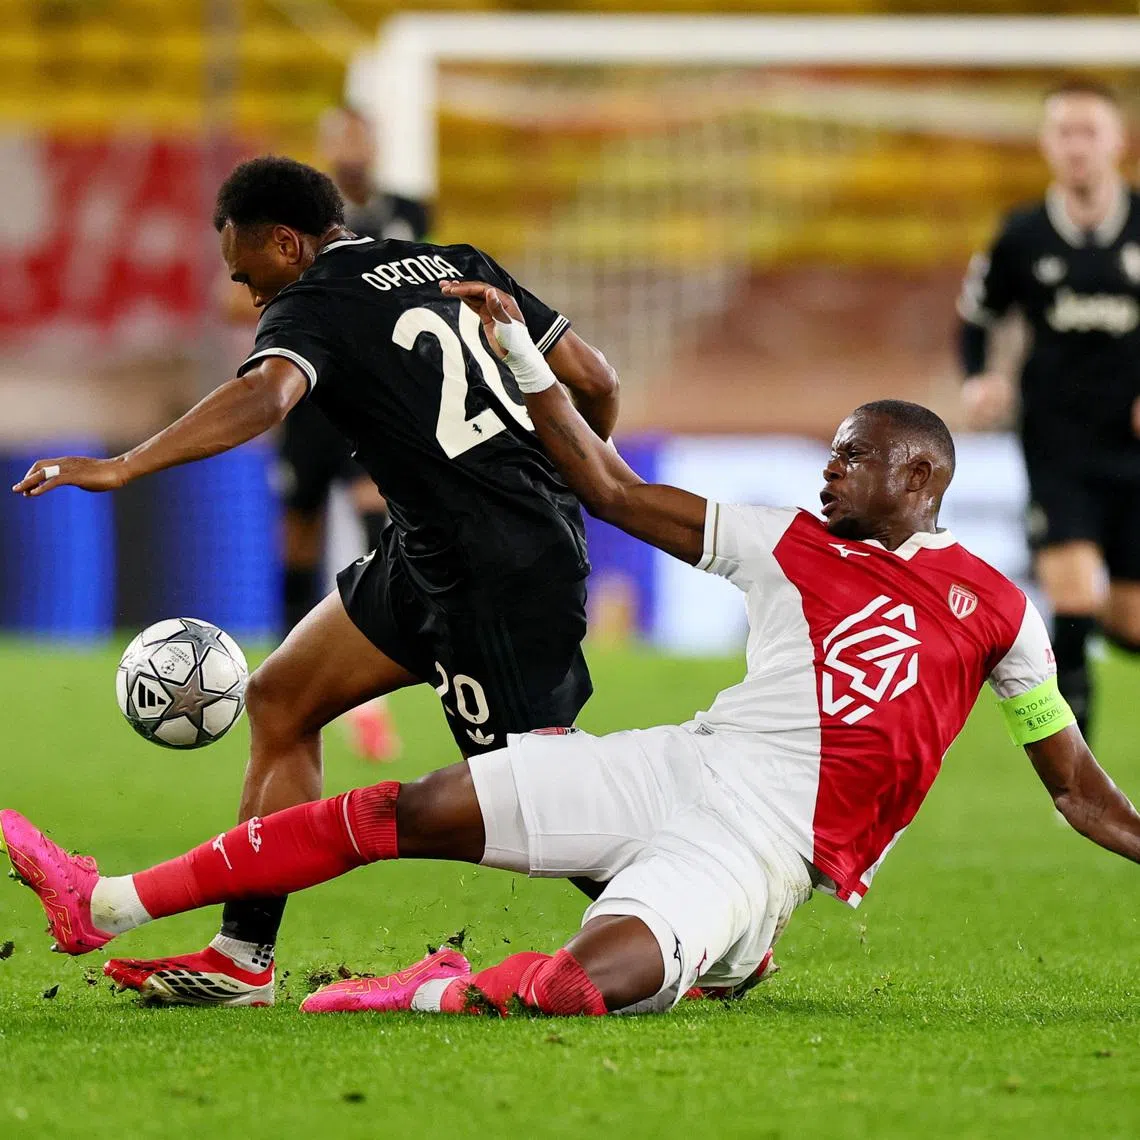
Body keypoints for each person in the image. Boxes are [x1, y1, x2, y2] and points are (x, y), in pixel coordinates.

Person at [7, 285, 1138, 1019]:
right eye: (833, 454)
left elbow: (1076, 787)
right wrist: (524, 360)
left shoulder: (998, 612)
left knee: (598, 987)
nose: (829, 472)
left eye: (855, 458)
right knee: (404, 809)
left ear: (924, 477)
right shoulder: (783, 541)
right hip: (675, 764)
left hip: (761, 848)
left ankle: (436, 991)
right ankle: (100, 902)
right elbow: (607, 485)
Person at [8, 158, 619, 1006]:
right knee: (282, 698)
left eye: (251, 281)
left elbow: (266, 398)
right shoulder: (457, 263)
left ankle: (706, 926)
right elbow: (596, 382)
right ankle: (242, 957)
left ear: (288, 243)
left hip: (496, 574)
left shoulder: (315, 302)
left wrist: (125, 464)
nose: (254, 302)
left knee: (533, 795)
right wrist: (571, 485)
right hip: (438, 549)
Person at [958, 78, 1140, 742]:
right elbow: (976, 318)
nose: (1077, 146)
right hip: (1057, 441)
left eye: (1090, 131)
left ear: (1118, 141)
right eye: (1064, 132)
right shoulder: (1024, 234)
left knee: (1127, 619)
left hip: (1133, 448)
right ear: (1046, 144)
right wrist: (981, 378)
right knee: (1071, 596)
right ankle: (1077, 779)